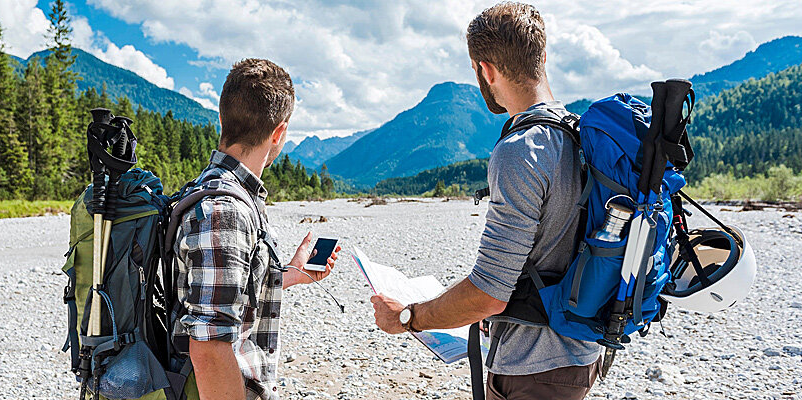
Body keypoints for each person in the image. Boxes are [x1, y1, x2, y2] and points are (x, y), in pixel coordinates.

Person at [370, 3, 601, 399]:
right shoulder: (581, 137)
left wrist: (408, 316)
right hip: (581, 353)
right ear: (543, 58)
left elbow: (489, 293)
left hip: (534, 367)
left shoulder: (521, 150)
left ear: (486, 70)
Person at [173, 58, 341, 400]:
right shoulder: (226, 210)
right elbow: (209, 346)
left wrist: (287, 275)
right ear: (278, 133)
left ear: (222, 120)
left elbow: (222, 289)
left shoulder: (215, 192)